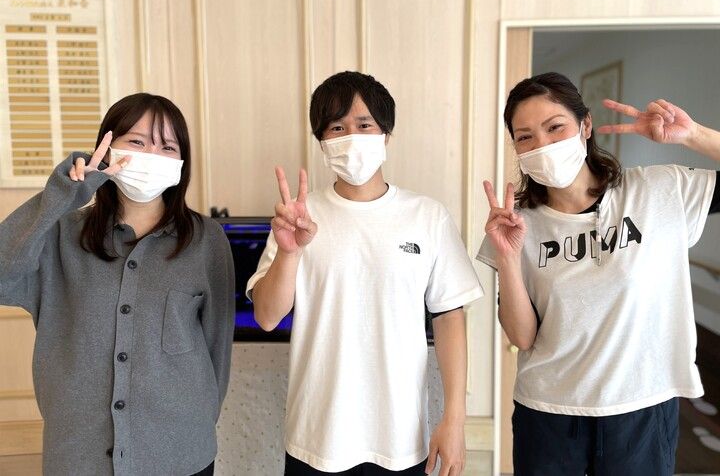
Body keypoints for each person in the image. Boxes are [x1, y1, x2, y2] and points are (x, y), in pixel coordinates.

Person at [476, 71, 720, 476]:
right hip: (548, 413)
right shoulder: (517, 222)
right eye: (525, 137)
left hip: (641, 409)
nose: (542, 145)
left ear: (585, 126)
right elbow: (522, 337)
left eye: (555, 127)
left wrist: (693, 135)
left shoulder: (658, 191)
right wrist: (507, 257)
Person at [247, 71, 483, 476]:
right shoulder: (299, 217)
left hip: (400, 438)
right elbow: (267, 317)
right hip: (316, 437)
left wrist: (455, 420)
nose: (351, 137)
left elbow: (449, 317)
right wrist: (288, 252)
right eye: (337, 127)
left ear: (385, 134)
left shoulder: (427, 216)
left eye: (364, 124)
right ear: (322, 141)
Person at [0, 93, 235, 476]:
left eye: (167, 147)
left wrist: (198, 421)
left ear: (181, 162)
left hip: (179, 451)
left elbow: (217, 348)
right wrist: (64, 196)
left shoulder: (206, 240)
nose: (152, 154)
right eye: (137, 141)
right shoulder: (61, 234)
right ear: (107, 149)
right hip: (78, 454)